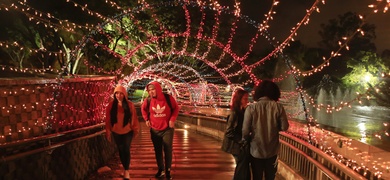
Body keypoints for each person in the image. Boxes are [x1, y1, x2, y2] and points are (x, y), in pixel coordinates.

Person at [242, 80, 289, 180]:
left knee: (256, 177)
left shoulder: (251, 108)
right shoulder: (278, 107)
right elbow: (285, 127)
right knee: (270, 177)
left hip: (256, 149)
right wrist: (275, 127)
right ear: (275, 92)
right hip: (272, 150)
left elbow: (245, 131)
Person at [141, 81, 180, 179]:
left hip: (167, 129)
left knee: (167, 149)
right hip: (154, 130)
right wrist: (146, 119)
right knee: (158, 150)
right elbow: (143, 109)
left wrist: (172, 120)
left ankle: (168, 171)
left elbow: (176, 109)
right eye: (149, 90)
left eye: (153, 89)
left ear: (158, 89)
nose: (151, 92)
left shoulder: (168, 98)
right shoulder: (148, 100)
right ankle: (161, 169)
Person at [105, 85, 140, 179]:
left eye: (121, 93)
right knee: (120, 150)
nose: (118, 95)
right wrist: (108, 131)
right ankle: (125, 167)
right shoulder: (111, 105)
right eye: (116, 93)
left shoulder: (129, 105)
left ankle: (127, 170)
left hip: (127, 131)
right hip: (116, 131)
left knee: (126, 149)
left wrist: (135, 129)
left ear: (124, 95)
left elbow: (134, 118)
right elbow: (108, 120)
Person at [221, 88, 250, 180]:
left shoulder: (242, 111)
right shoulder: (235, 113)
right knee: (241, 168)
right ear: (239, 99)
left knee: (242, 167)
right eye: (245, 98)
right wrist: (241, 141)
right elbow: (229, 131)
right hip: (236, 146)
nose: (247, 101)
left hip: (239, 145)